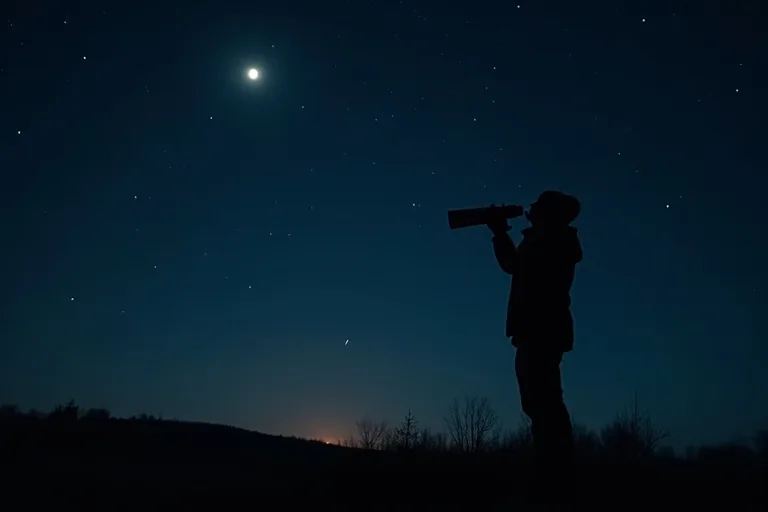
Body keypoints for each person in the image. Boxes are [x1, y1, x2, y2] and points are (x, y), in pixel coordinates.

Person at [487, 190, 583, 495]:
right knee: (539, 404)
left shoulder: (553, 240)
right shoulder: (545, 238)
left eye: (540, 206)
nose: (533, 208)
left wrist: (502, 231)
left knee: (545, 405)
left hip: (541, 330)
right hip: (535, 331)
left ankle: (555, 480)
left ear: (551, 212)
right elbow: (515, 264)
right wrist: (500, 232)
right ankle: (552, 475)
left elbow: (517, 266)